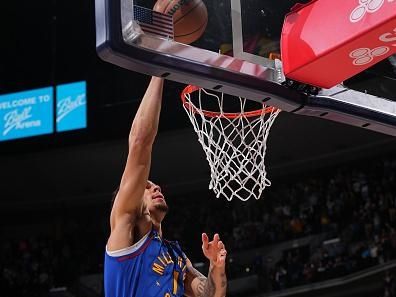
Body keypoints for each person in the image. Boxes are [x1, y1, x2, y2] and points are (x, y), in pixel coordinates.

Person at [104, 77, 227, 297]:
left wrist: (216, 267)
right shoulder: (126, 228)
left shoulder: (175, 255)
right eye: (147, 186)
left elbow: (209, 294)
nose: (155, 187)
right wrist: (159, 72)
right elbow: (140, 142)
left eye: (154, 184)